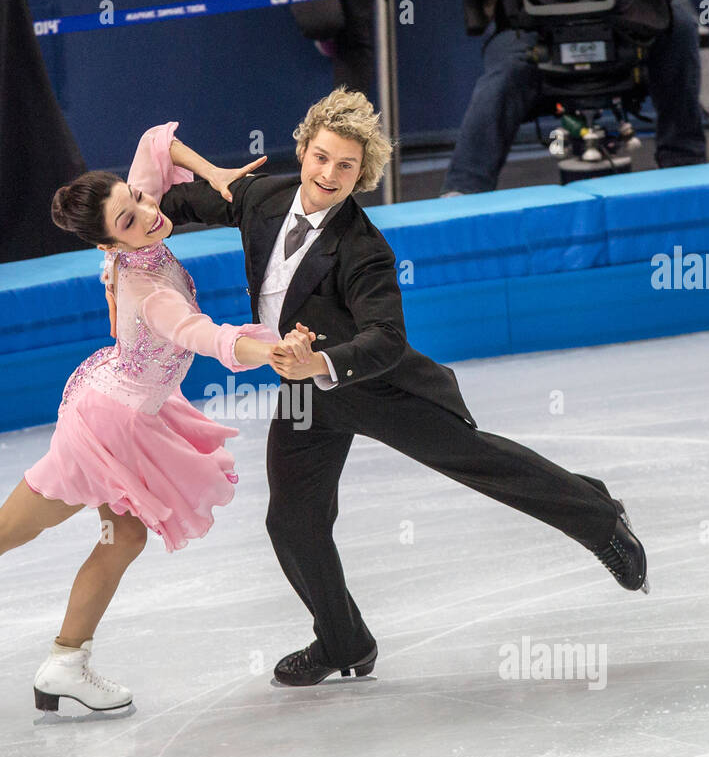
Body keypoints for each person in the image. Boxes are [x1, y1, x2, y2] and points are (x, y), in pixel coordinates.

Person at [159, 88, 649, 687]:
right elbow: (176, 202)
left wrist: (321, 365)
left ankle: (600, 519)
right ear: (303, 150)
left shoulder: (364, 249)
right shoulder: (263, 197)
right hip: (307, 396)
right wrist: (126, 228)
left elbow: (386, 338)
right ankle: (344, 641)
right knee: (292, 522)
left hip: (378, 386)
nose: (329, 174)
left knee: (477, 461)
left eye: (346, 166)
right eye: (321, 157)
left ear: (363, 174)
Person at [0, 123, 303, 713]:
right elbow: (208, 336)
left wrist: (213, 174)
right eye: (130, 219)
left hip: (125, 407)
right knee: (19, 525)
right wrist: (271, 352)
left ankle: (60, 659)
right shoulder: (150, 291)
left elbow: (152, 147)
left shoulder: (131, 218)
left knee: (122, 535)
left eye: (136, 200)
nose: (147, 212)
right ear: (110, 244)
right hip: (110, 426)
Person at [442, 0, 705, 195]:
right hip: (528, 18)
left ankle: (686, 168)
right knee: (506, 75)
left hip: (632, 4)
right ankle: (463, 195)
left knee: (679, 29)